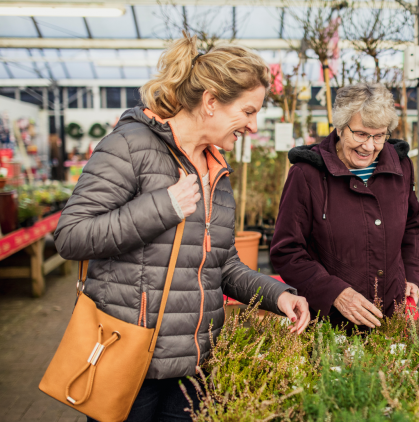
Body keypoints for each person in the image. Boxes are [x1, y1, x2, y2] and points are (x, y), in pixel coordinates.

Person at [54, 34, 310, 421]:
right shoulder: (129, 146)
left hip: (194, 365)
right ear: (211, 102)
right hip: (128, 356)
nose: (254, 126)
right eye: (248, 111)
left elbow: (220, 264)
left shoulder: (217, 169)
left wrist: (278, 296)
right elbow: (71, 236)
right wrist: (163, 206)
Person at [270, 83, 419, 332]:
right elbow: (287, 251)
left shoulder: (400, 167)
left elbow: (412, 225)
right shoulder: (307, 174)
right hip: (332, 325)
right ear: (340, 127)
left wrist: (411, 276)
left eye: (378, 136)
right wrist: (335, 293)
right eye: (361, 134)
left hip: (392, 319)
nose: (369, 146)